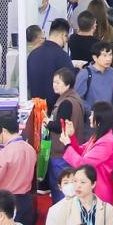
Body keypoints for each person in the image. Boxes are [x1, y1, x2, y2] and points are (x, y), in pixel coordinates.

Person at [61, 101, 113, 205]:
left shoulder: (106, 142)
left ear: (100, 119)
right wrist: (71, 136)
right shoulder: (100, 135)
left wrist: (67, 145)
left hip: (98, 191)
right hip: (91, 186)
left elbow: (83, 163)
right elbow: (82, 151)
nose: (89, 117)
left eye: (92, 114)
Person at [44, 68, 87, 201]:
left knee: (62, 188)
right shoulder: (75, 98)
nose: (54, 85)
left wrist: (47, 122)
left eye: (58, 82)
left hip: (61, 152)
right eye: (53, 82)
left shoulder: (66, 103)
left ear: (67, 84)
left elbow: (59, 126)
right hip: (70, 149)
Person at [28, 18, 74, 110]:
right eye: (66, 37)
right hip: (57, 110)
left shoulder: (33, 54)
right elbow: (70, 83)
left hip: (36, 109)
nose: (66, 41)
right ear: (63, 35)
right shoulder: (63, 57)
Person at [75, 41, 113, 114]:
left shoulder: (112, 72)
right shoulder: (85, 74)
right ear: (95, 58)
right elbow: (77, 98)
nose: (108, 59)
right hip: (90, 116)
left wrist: (112, 112)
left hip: (107, 116)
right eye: (104, 55)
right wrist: (92, 111)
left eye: (110, 55)